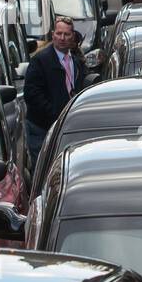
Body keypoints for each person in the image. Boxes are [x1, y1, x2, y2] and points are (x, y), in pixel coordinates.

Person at [23, 16, 87, 168]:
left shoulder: (76, 62)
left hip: (67, 127)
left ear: (73, 36)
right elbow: (31, 94)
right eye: (59, 34)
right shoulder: (40, 60)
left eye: (66, 34)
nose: (62, 38)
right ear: (53, 34)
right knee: (43, 168)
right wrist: (55, 114)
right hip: (42, 128)